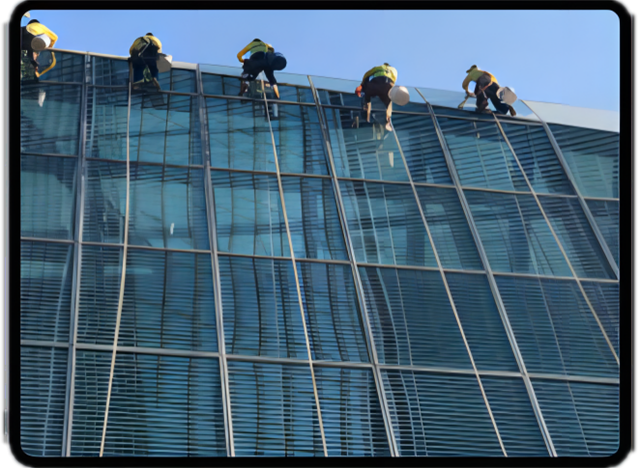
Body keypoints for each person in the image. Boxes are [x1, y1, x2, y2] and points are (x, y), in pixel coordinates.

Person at [355, 63, 398, 131]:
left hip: (374, 84)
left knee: (368, 100)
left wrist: (362, 84)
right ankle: (388, 121)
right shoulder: (393, 70)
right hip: (386, 85)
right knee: (389, 103)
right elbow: (393, 80)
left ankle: (367, 118)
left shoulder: (378, 67)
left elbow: (367, 74)